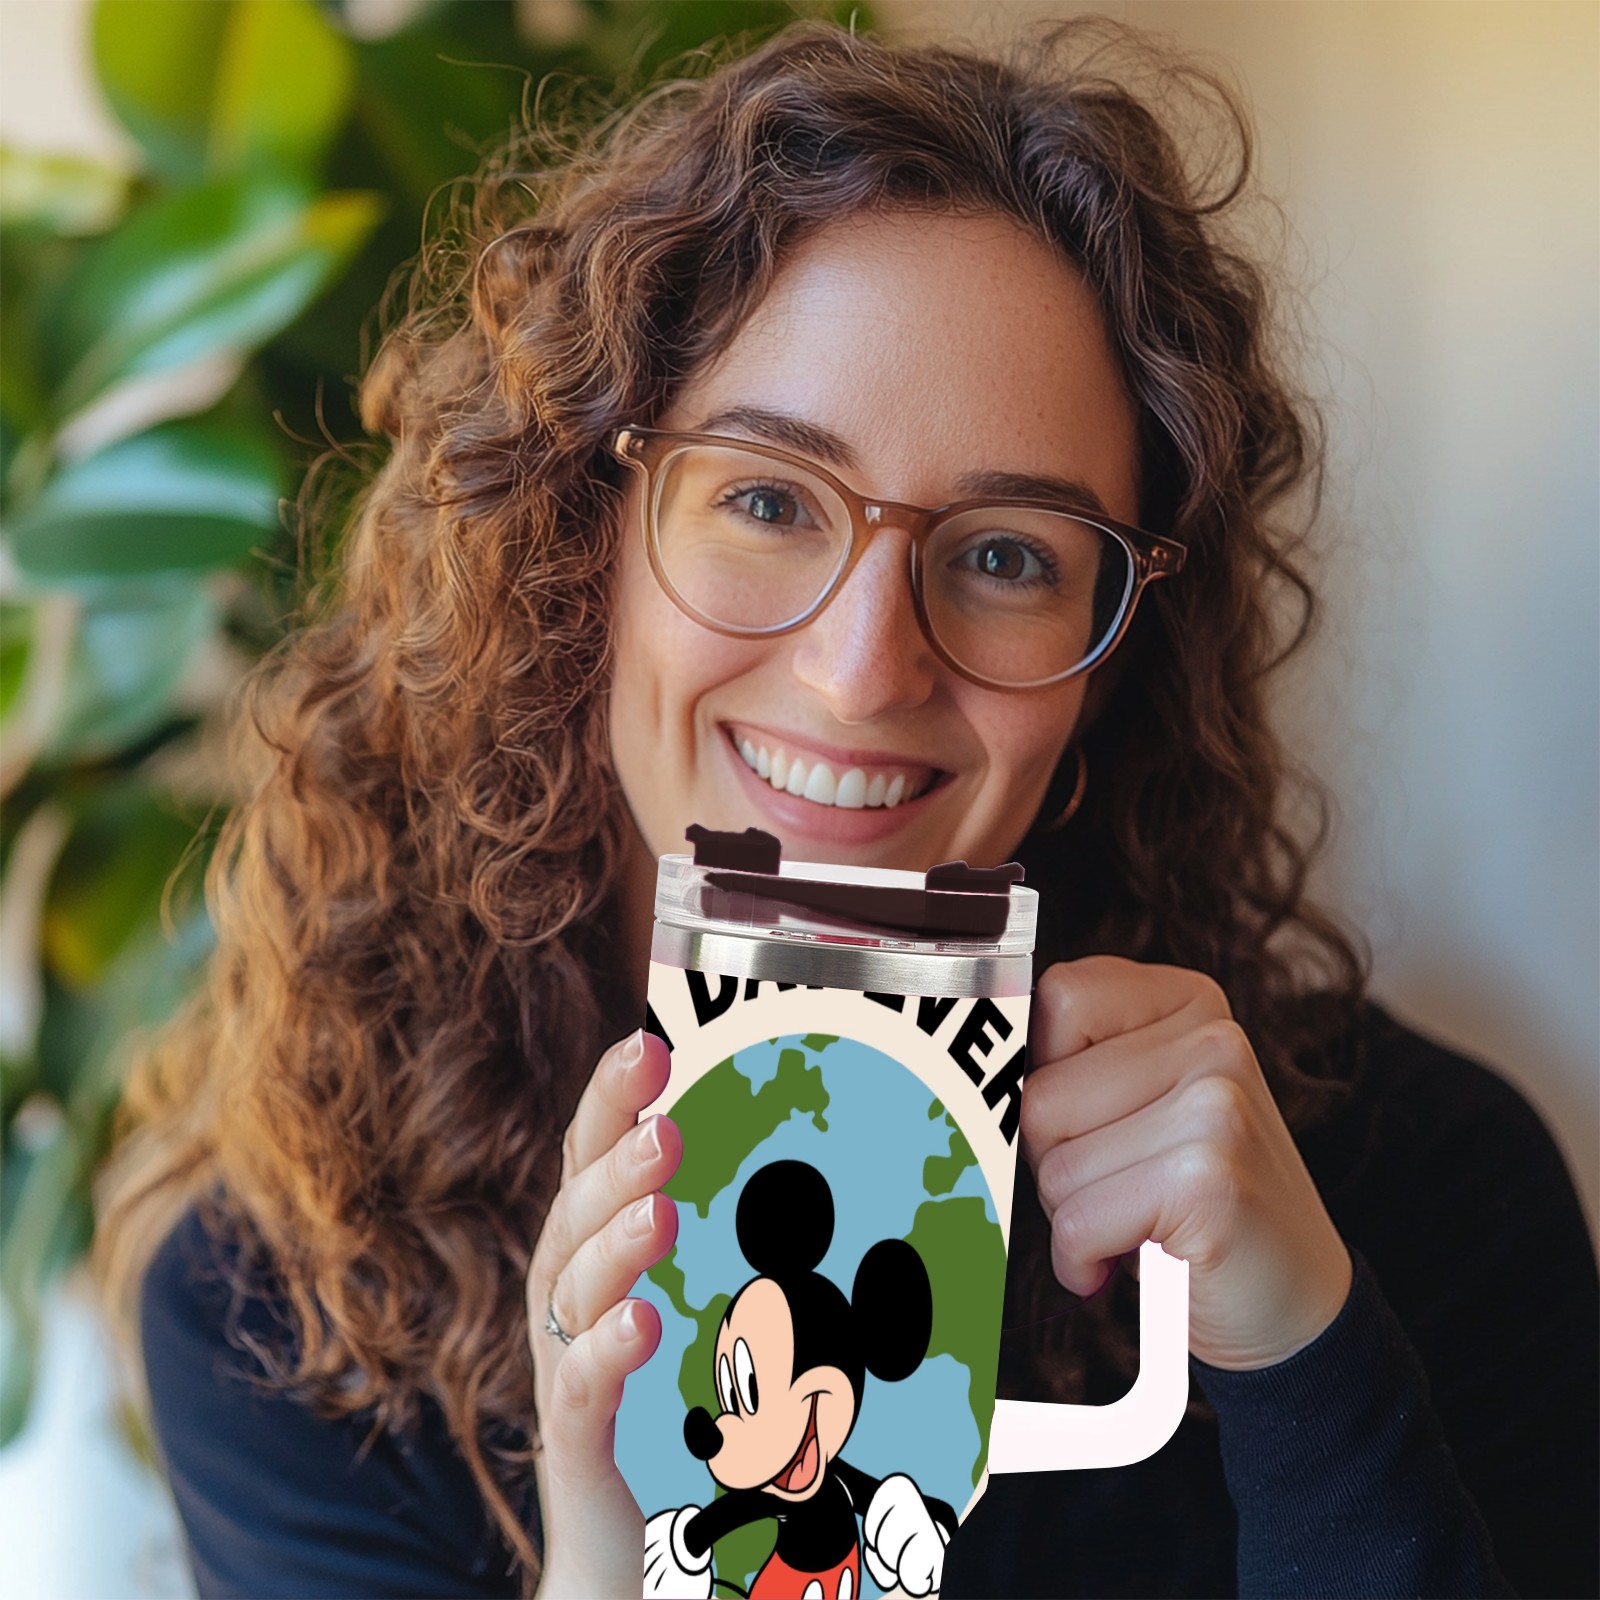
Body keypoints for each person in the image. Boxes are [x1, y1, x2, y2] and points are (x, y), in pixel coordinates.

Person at [96, 17, 1597, 1600]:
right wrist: (615, 1560)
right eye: (765, 499)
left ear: (1113, 663)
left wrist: (1306, 1368)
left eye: (1007, 554)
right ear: (580, 547)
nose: (864, 671)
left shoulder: (1421, 1194)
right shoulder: (293, 1301)